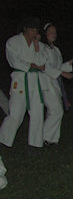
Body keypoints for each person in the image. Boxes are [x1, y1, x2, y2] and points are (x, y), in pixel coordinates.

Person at [0, 17, 48, 148]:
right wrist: (32, 65)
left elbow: (42, 62)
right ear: (25, 29)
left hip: (35, 81)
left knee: (37, 112)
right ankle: (3, 140)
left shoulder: (39, 45)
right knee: (16, 113)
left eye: (36, 30)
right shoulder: (13, 41)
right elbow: (14, 61)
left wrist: (36, 45)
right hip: (20, 80)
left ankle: (35, 145)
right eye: (31, 29)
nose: (34, 32)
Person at [40, 23, 73, 145]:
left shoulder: (56, 49)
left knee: (53, 111)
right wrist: (62, 73)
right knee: (56, 111)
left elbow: (58, 67)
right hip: (46, 82)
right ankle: (42, 138)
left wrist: (71, 62)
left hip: (55, 84)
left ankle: (52, 139)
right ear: (45, 33)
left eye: (55, 32)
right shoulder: (42, 48)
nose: (53, 34)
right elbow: (44, 66)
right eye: (51, 32)